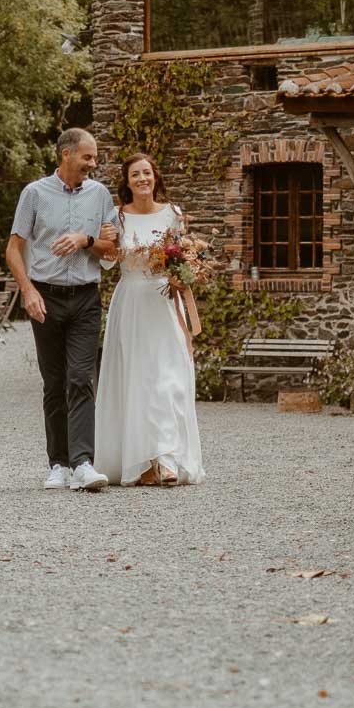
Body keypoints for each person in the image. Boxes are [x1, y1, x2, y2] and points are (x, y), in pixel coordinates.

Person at [6, 128, 119, 492]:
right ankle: (58, 464)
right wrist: (28, 291)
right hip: (46, 299)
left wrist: (86, 241)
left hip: (86, 297)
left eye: (95, 157)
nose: (94, 163)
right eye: (88, 156)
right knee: (54, 383)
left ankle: (83, 463)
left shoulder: (100, 195)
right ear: (66, 154)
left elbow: (111, 250)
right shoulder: (34, 194)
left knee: (80, 378)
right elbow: (13, 248)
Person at [93, 153, 205, 487]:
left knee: (169, 379)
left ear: (155, 177)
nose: (142, 179)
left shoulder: (173, 214)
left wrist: (185, 273)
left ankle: (168, 459)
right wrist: (105, 242)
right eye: (135, 175)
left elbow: (184, 258)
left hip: (164, 304)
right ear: (127, 183)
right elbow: (109, 264)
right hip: (131, 304)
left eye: (147, 173)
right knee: (137, 380)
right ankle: (142, 462)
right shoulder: (117, 218)